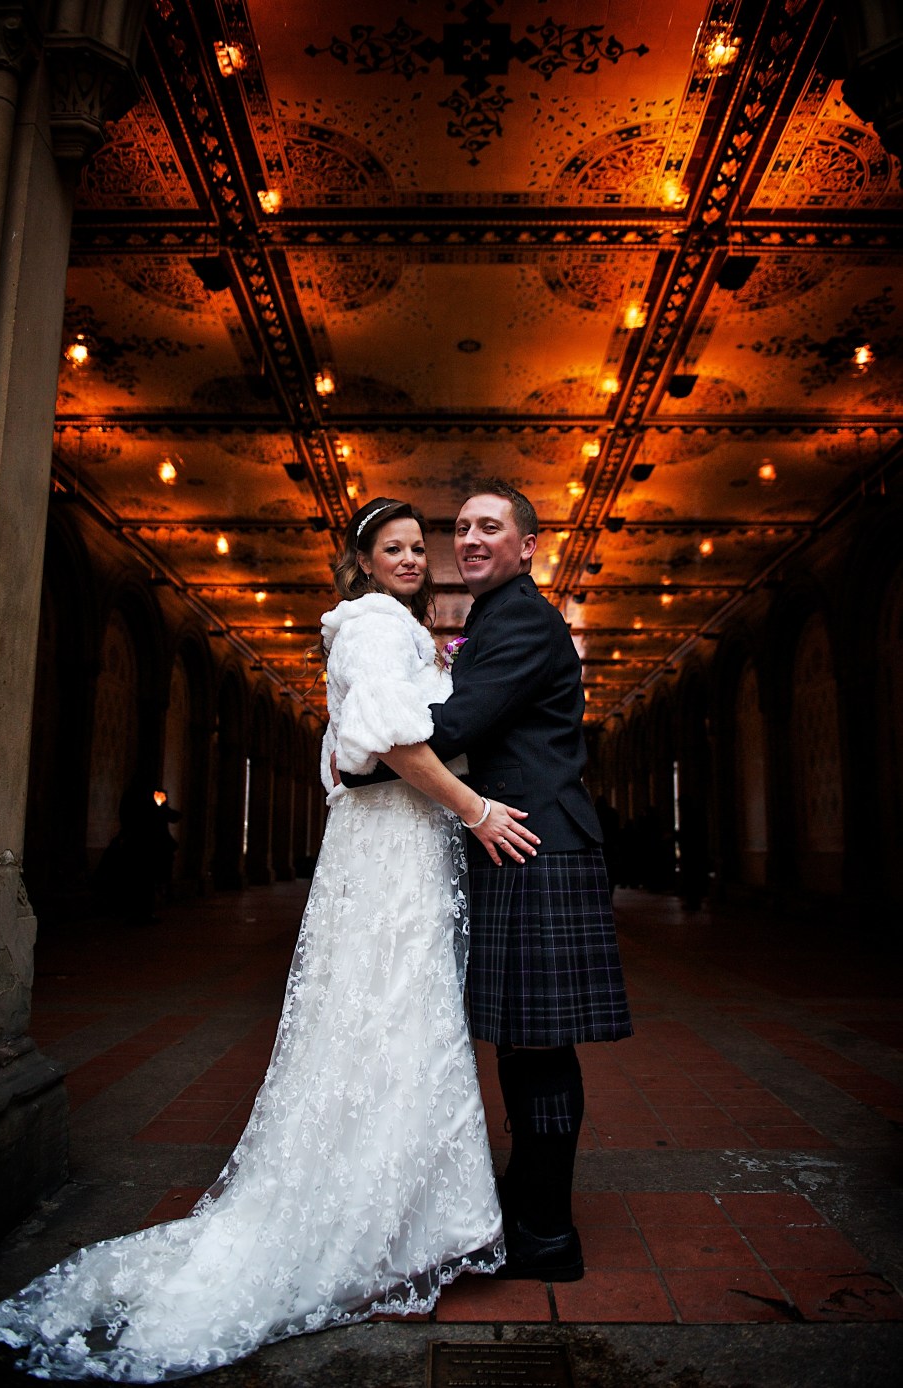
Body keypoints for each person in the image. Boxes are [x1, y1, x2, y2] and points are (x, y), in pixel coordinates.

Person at [0, 497, 538, 1381]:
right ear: (359, 563)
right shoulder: (369, 626)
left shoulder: (393, 627)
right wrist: (473, 810)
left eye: (414, 548)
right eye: (391, 549)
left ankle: (397, 1214)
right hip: (394, 848)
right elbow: (380, 742)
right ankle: (378, 1226)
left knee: (401, 1018)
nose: (410, 559)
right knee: (392, 1015)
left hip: (399, 848)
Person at [357, 480, 633, 1282]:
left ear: (527, 545)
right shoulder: (496, 616)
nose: (470, 539)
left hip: (534, 843)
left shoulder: (518, 619)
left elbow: (452, 729)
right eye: (463, 528)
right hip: (527, 840)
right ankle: (532, 1208)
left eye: (491, 527)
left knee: (538, 1047)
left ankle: (547, 1233)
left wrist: (363, 754)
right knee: (524, 1044)